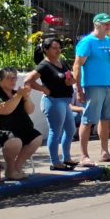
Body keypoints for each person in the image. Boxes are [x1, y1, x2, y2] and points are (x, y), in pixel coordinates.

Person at [0, 68, 44, 180]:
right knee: (15, 141)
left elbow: (30, 110)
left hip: (15, 129)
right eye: (9, 78)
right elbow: (3, 110)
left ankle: (17, 168)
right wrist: (18, 96)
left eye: (14, 78)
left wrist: (26, 97)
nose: (13, 80)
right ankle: (10, 170)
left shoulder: (16, 94)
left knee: (36, 137)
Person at [72, 13, 110, 167]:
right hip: (92, 85)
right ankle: (84, 155)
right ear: (97, 24)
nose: (109, 26)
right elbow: (77, 65)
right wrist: (79, 88)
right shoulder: (87, 42)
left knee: (106, 119)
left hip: (107, 84)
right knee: (88, 120)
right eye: (106, 23)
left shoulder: (107, 40)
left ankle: (104, 152)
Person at [34, 37, 77, 170]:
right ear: (46, 50)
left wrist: (70, 81)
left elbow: (71, 77)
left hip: (65, 101)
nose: (58, 50)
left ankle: (67, 158)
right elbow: (28, 80)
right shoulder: (44, 65)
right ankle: (55, 162)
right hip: (53, 101)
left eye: (59, 47)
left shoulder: (62, 63)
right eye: (54, 48)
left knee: (70, 130)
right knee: (55, 131)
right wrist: (43, 89)